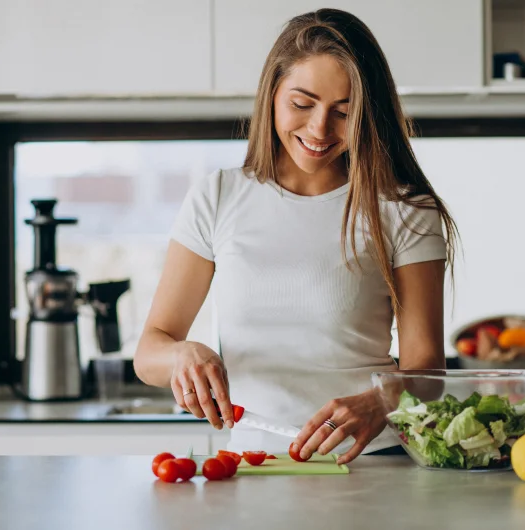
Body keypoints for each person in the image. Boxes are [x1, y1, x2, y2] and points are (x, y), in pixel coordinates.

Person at [134, 8, 459, 464]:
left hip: (369, 462)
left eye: (344, 113)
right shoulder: (219, 196)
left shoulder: (404, 209)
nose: (319, 129)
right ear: (272, 94)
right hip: (251, 464)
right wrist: (182, 355)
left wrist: (382, 401)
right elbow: (151, 349)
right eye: (302, 104)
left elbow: (427, 374)